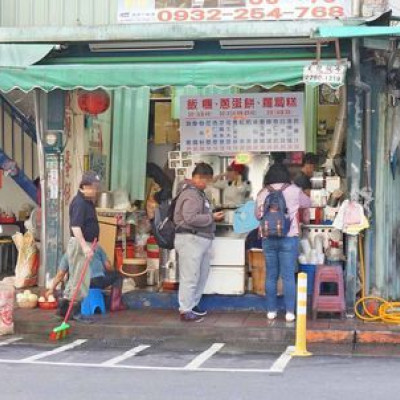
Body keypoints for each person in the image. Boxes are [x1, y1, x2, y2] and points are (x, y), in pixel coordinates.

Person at [256, 164, 311, 322]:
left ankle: (271, 311)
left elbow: (257, 215)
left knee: (271, 275)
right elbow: (308, 202)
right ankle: (289, 312)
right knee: (288, 276)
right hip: (289, 237)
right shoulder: (294, 190)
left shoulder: (263, 192)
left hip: (268, 238)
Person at [174, 163, 224, 322]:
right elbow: (190, 218)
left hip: (200, 239)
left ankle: (193, 304)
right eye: (206, 180)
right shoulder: (191, 194)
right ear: (197, 178)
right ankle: (185, 309)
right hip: (190, 239)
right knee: (190, 276)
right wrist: (212, 218)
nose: (207, 184)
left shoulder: (198, 193)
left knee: (200, 275)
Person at [47, 245, 125, 315]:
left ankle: (68, 301)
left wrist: (51, 289)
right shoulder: (96, 247)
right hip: (96, 282)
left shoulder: (69, 251)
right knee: (118, 275)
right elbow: (108, 266)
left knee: (69, 283)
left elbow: (60, 274)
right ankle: (115, 304)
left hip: (78, 285)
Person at [63, 171, 101, 310]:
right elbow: (76, 227)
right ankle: (74, 311)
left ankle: (64, 310)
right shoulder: (80, 203)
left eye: (96, 187)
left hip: (86, 243)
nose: (95, 190)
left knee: (78, 278)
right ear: (84, 186)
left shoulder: (87, 202)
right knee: (80, 279)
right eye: (93, 187)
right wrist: (85, 247)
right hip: (80, 244)